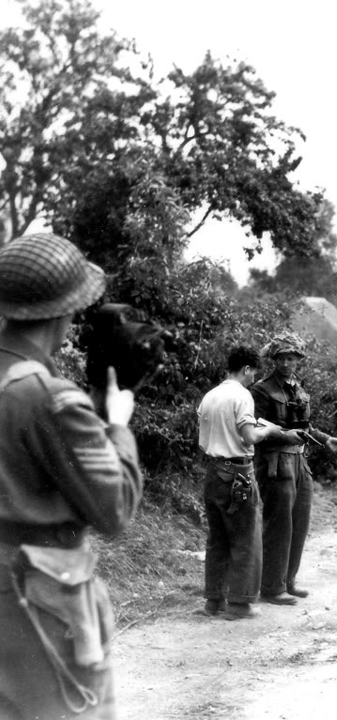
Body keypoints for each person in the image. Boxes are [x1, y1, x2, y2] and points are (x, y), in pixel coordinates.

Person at [0, 233, 142, 719]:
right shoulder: (50, 397)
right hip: (39, 596)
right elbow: (114, 510)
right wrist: (117, 425)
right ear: (64, 313)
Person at [251, 331, 337, 606]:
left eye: (291, 358)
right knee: (279, 524)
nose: (286, 363)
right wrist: (284, 436)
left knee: (300, 523)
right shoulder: (261, 389)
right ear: (274, 359)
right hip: (275, 463)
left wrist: (326, 439)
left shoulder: (299, 388)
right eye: (281, 358)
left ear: (298, 359)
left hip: (299, 462)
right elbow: (254, 428)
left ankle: (288, 580)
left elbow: (305, 428)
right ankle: (271, 587)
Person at [197, 346, 282, 620]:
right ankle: (239, 603)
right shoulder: (242, 396)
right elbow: (249, 437)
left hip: (213, 472)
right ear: (246, 369)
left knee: (218, 538)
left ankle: (214, 601)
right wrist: (268, 429)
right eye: (252, 374)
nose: (253, 380)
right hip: (238, 474)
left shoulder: (210, 396)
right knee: (245, 537)